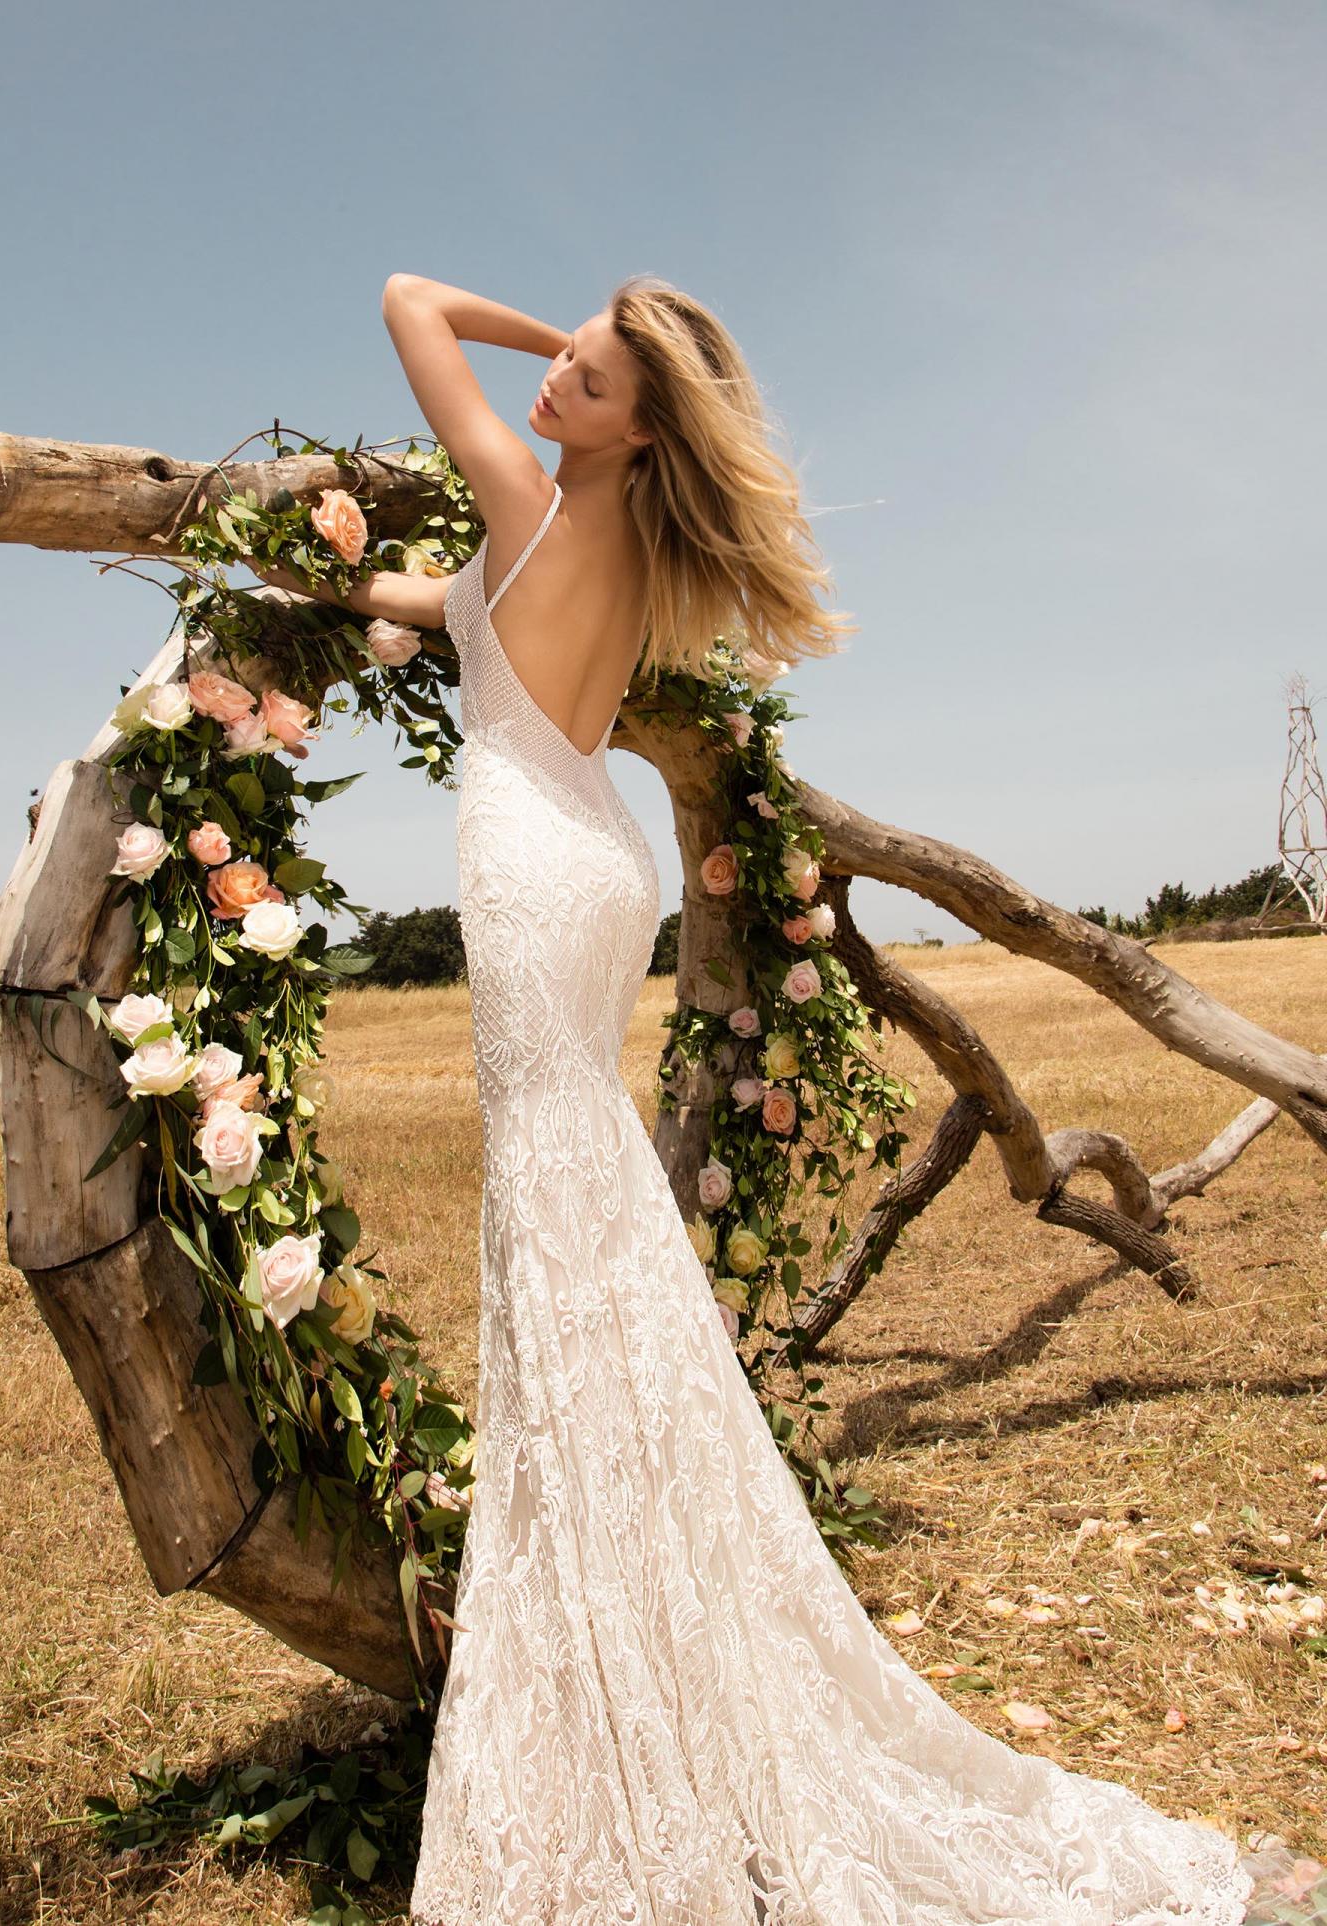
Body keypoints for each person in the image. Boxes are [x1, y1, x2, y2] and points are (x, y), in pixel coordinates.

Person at [276, 272, 1327, 1924]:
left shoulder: (532, 502)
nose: (555, 380)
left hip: (535, 876)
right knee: (579, 1215)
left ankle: (619, 1617)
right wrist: (358, 592)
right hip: (580, 863)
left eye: (591, 379)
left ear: (640, 430)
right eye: (561, 361)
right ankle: (617, 1570)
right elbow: (467, 614)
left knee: (559, 1217)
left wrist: (535, 314)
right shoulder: (579, 549)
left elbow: (405, 300)